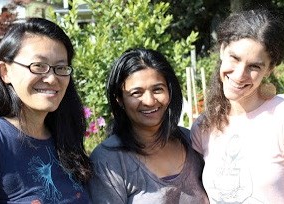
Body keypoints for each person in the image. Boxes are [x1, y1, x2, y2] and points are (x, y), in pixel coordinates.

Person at [191, 9, 284, 203]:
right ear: (223, 49)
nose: (240, 74)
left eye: (254, 66)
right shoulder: (203, 126)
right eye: (235, 58)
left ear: (269, 69)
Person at [0, 18, 92, 203]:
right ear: (5, 72)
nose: (51, 78)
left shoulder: (64, 137)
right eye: (38, 66)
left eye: (60, 68)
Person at [88, 48, 209, 203]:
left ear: (170, 91)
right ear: (119, 99)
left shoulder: (192, 141)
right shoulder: (108, 161)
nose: (150, 101)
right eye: (136, 93)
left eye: (157, 89)